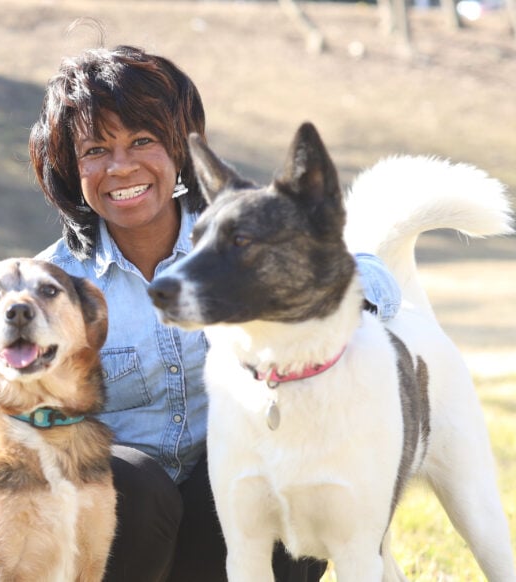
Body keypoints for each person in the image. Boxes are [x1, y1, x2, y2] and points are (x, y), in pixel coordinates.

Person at [29, 45, 400, 581]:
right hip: (121, 530)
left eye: (142, 140)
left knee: (284, 464)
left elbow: (364, 271)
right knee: (135, 477)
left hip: (229, 511)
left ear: (178, 148)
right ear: (71, 167)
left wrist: (332, 301)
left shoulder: (238, 234)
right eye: (95, 150)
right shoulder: (50, 286)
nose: (122, 166)